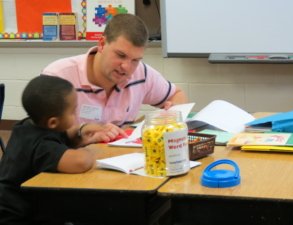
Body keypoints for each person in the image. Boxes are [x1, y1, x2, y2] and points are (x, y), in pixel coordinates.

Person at [42, 13, 188, 128]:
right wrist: (82, 136)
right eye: (120, 55)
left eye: (135, 60)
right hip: (72, 162)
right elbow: (43, 137)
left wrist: (173, 112)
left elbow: (177, 95)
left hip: (120, 160)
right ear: (101, 44)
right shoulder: (58, 76)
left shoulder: (141, 73)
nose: (126, 67)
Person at [0, 76, 103, 225]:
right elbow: (80, 162)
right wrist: (92, 152)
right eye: (73, 111)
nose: (76, 114)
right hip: (18, 217)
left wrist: (82, 133)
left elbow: (65, 135)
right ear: (53, 122)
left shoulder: (27, 125)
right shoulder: (42, 146)